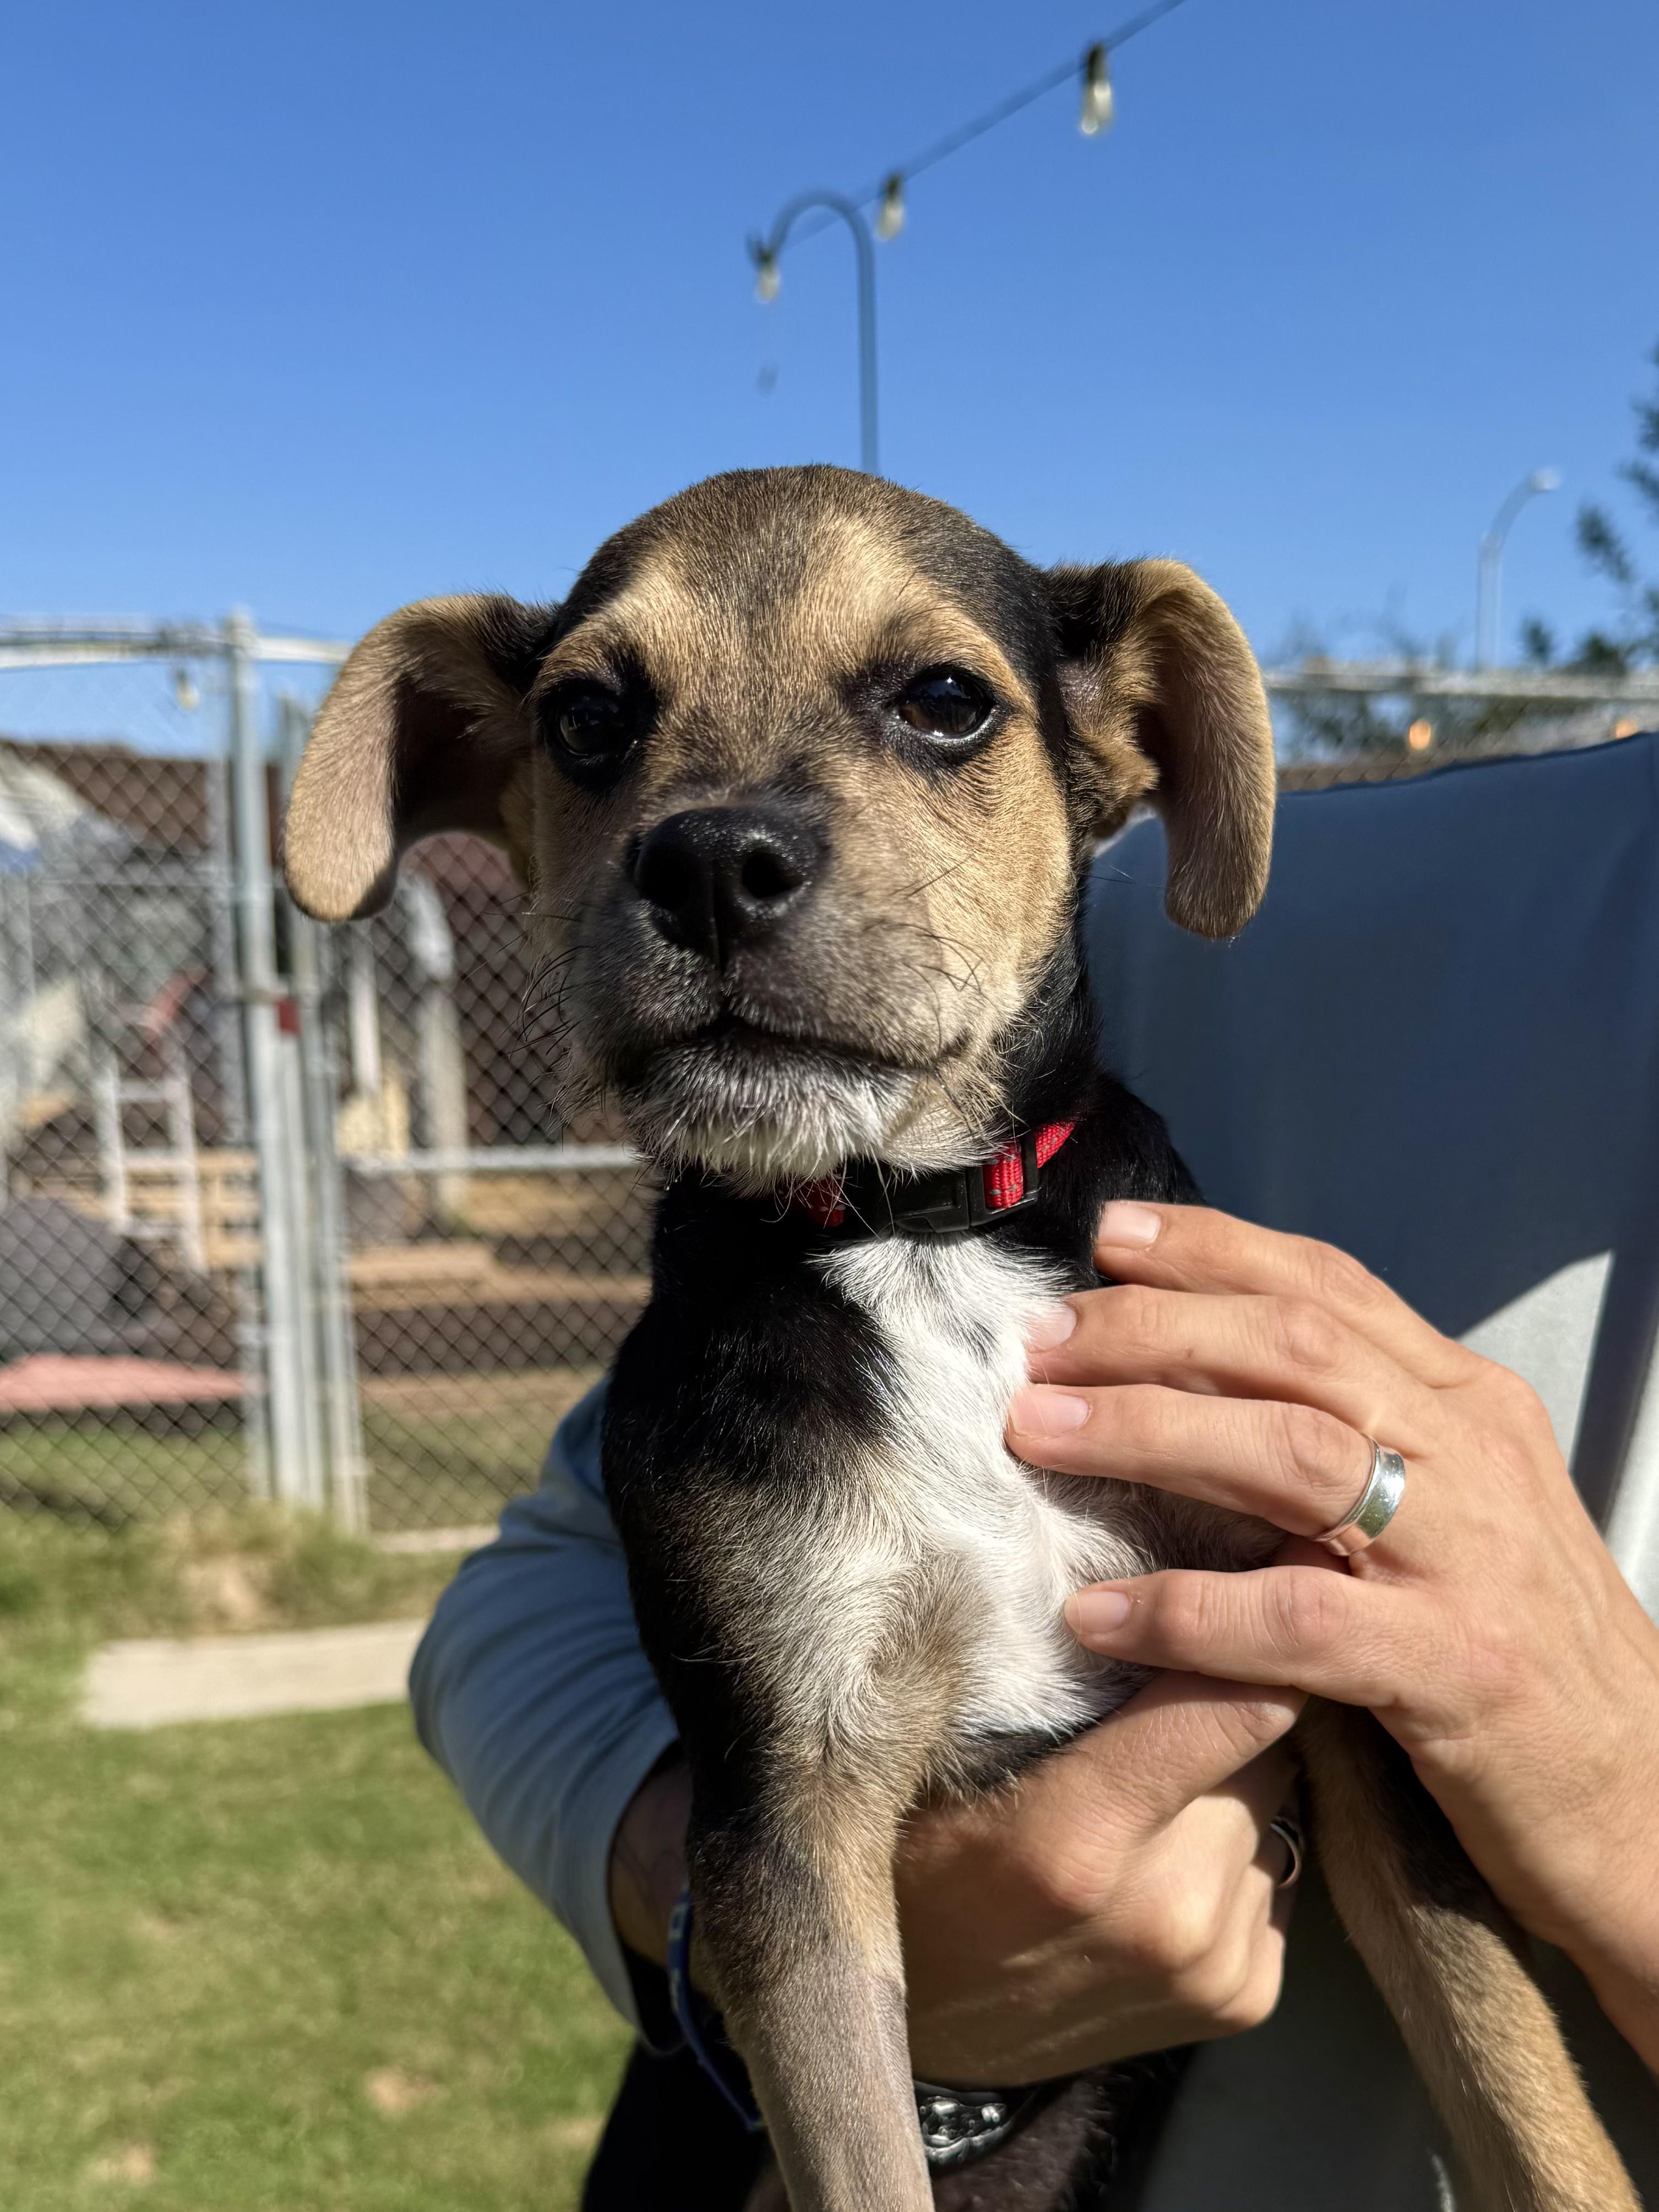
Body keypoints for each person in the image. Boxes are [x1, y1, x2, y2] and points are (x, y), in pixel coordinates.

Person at [412, 737, 1659, 2208]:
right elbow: (539, 1585)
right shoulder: (1128, 889)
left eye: (941, 703)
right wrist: (708, 1889)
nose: (719, 835)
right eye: (595, 730)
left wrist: (1628, 1803)